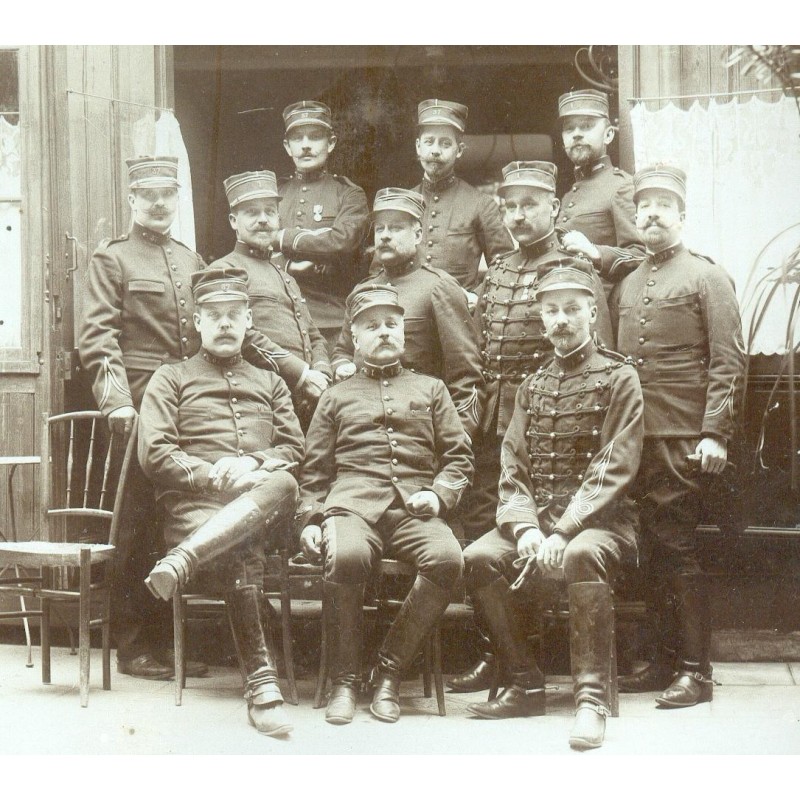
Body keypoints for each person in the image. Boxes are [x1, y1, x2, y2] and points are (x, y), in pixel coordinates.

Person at [78, 156, 309, 680]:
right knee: (137, 531)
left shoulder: (191, 260)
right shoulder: (113, 259)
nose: (159, 203)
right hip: (140, 410)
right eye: (149, 195)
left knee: (187, 519)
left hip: (193, 405)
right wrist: (117, 400)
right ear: (133, 200)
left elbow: (227, 325)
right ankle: (136, 644)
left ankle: (179, 641)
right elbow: (97, 337)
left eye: (168, 194)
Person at [462, 255, 644, 750]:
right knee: (478, 559)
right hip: (539, 524)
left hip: (602, 523)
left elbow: (614, 466)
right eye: (550, 311)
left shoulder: (619, 378)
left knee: (583, 554)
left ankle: (591, 700)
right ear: (540, 319)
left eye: (570, 309)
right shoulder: (532, 385)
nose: (560, 320)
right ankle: (526, 682)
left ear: (591, 313)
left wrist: (563, 531)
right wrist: (525, 529)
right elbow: (512, 466)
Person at [449, 161, 615, 693]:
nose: (518, 216)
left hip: (555, 423)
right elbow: (476, 350)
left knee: (538, 536)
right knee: (486, 533)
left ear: (554, 208)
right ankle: (498, 654)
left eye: (529, 205)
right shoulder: (495, 271)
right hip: (495, 425)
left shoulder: (573, 273)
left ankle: (532, 660)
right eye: (510, 206)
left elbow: (600, 356)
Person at [138, 266, 304, 737]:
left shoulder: (271, 383)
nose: (226, 323)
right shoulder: (170, 378)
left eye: (235, 314)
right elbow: (156, 453)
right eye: (215, 315)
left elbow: (294, 451)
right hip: (194, 509)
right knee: (240, 547)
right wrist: (213, 475)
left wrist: (253, 465)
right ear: (197, 321)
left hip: (262, 509)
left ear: (249, 320)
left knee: (285, 484)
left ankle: (182, 561)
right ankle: (263, 683)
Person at [297, 284, 473, 726]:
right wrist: (310, 520)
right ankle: (344, 681)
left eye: (392, 324)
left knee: (448, 559)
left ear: (404, 332)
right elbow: (314, 473)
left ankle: (389, 672)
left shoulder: (431, 389)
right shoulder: (335, 396)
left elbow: (458, 456)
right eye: (372, 326)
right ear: (355, 337)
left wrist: (437, 493)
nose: (384, 333)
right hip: (352, 505)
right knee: (348, 556)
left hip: (413, 506)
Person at [611, 163, 745, 708]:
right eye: (644, 206)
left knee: (679, 548)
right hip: (634, 438)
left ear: (682, 216)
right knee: (646, 548)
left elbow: (728, 361)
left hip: (683, 436)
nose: (652, 214)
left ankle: (697, 671)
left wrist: (715, 433)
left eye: (664, 205)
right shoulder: (627, 282)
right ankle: (662, 662)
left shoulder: (707, 277)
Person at [331, 187, 484, 440]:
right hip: (361, 426)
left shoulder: (439, 287)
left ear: (418, 234)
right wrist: (342, 365)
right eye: (380, 229)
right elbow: (342, 350)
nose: (385, 236)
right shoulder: (362, 290)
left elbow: (466, 375)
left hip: (419, 426)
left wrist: (458, 438)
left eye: (396, 228)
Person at [209, 169, 332, 426]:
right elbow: (242, 334)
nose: (263, 220)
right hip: (260, 400)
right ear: (234, 221)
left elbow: (314, 334)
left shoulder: (285, 275)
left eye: (269, 211)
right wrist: (301, 374)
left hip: (308, 398)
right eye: (252, 213)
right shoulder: (225, 270)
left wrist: (321, 372)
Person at [272, 100, 370, 348]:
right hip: (281, 319)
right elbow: (256, 246)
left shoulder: (349, 194)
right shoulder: (274, 195)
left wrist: (282, 238)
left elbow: (342, 242)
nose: (305, 145)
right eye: (297, 138)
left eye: (315, 137)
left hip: (332, 321)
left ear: (331, 143)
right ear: (287, 146)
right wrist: (293, 264)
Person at [412, 99, 513, 308]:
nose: (436, 150)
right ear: (418, 146)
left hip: (459, 315)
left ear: (459, 150)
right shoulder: (404, 203)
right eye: (429, 141)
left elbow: (505, 265)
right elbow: (380, 269)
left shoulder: (480, 204)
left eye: (445, 143)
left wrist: (478, 296)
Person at [555, 89, 644, 292]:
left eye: (586, 126)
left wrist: (595, 252)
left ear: (608, 134)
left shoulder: (622, 186)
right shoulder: (569, 194)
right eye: (569, 129)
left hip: (604, 309)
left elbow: (641, 255)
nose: (576, 134)